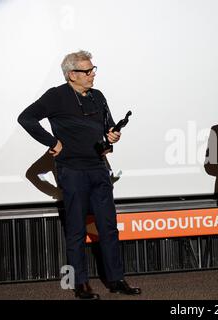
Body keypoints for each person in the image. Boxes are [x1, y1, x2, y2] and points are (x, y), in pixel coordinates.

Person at [18, 50, 141, 299]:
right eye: (87, 71)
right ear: (72, 74)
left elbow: (105, 130)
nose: (92, 74)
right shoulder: (56, 96)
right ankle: (80, 284)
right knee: (75, 230)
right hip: (72, 171)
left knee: (108, 228)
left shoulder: (97, 96)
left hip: (98, 168)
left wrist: (111, 136)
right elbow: (26, 118)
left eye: (93, 69)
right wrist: (52, 142)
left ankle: (116, 279)